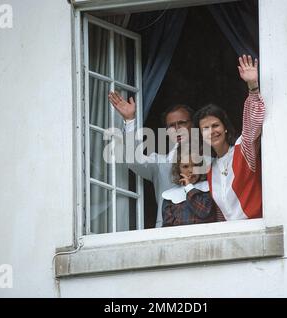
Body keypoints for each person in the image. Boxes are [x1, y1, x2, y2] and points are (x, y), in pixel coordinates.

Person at [193, 55, 265, 220]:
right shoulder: (210, 168)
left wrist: (253, 86)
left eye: (215, 125)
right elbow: (221, 213)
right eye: (205, 128)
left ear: (225, 128)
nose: (211, 131)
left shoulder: (243, 149)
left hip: (255, 228)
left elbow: (253, 123)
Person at [108, 91, 194, 227]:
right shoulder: (159, 162)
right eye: (171, 126)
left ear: (193, 125)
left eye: (182, 123)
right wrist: (130, 121)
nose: (177, 129)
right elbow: (133, 160)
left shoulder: (210, 160)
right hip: (166, 232)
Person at [162, 147, 225, 227]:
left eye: (195, 165)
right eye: (185, 166)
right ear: (178, 169)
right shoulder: (170, 197)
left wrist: (189, 188)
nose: (191, 170)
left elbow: (204, 212)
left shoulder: (207, 189)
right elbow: (167, 227)